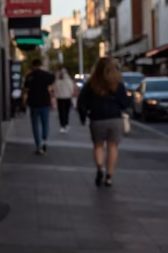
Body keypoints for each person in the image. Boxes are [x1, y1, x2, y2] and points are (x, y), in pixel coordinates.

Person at [76, 57, 132, 187]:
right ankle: (109, 176)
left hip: (97, 119)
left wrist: (83, 116)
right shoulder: (117, 84)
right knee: (113, 147)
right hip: (114, 119)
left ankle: (100, 168)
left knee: (98, 146)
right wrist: (130, 99)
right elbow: (124, 103)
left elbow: (82, 102)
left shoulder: (90, 85)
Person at [21, 57, 56, 155]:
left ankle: (38, 145)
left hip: (33, 103)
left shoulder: (29, 76)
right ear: (40, 65)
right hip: (45, 102)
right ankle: (44, 140)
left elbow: (25, 90)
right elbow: (52, 79)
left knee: (35, 125)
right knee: (45, 123)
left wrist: (23, 103)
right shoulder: (46, 75)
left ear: (33, 65)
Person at [53, 66, 77, 133]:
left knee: (61, 112)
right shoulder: (68, 80)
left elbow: (55, 89)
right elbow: (71, 88)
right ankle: (66, 124)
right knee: (66, 112)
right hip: (67, 97)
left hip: (60, 98)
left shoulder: (57, 80)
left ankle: (62, 125)